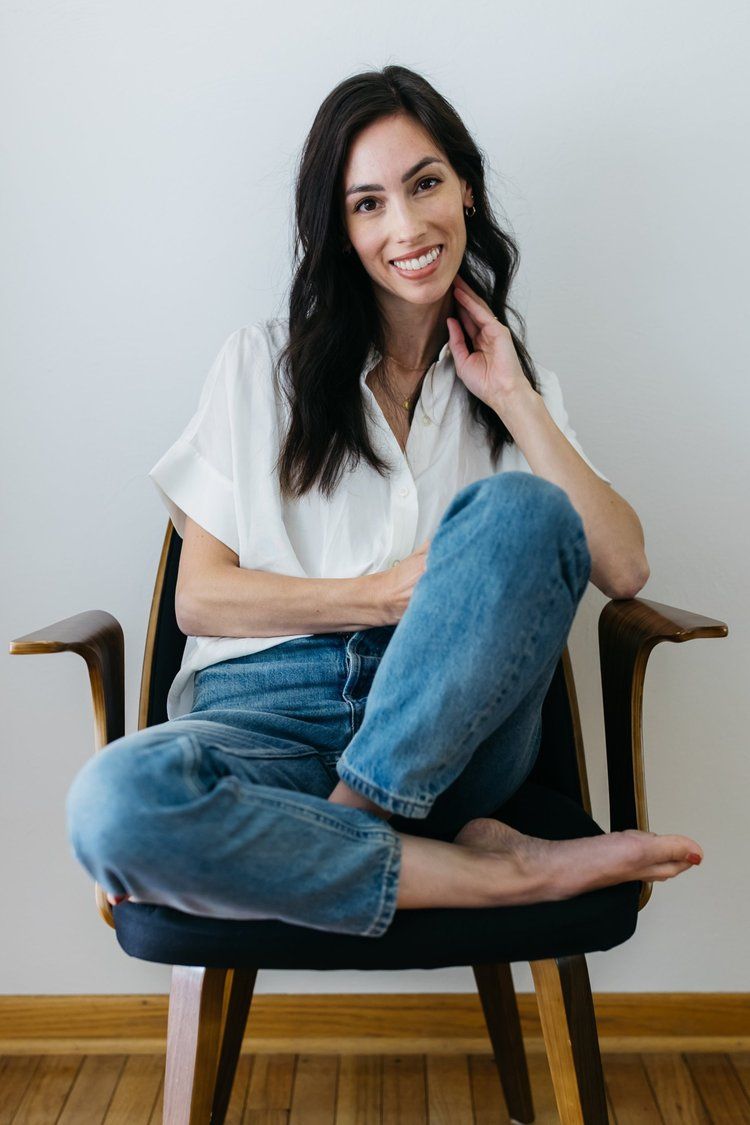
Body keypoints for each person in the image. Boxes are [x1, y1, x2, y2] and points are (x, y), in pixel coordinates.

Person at [65, 65, 702, 939]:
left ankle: (349, 826)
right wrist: (380, 595)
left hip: (455, 743)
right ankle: (494, 872)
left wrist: (514, 396)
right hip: (262, 722)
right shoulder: (257, 366)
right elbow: (201, 598)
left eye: (425, 184)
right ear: (341, 230)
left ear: (466, 188)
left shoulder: (517, 388)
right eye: (368, 204)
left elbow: (624, 567)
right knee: (112, 802)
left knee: (525, 510)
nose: (406, 226)